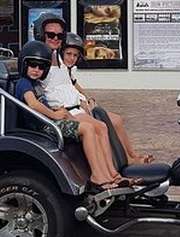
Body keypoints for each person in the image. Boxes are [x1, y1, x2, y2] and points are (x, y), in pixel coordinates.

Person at [34, 13, 154, 164]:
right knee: (100, 126)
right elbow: (38, 91)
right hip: (67, 109)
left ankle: (131, 157)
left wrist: (87, 98)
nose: (56, 38)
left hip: (77, 105)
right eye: (51, 35)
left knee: (116, 120)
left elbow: (72, 83)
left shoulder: (60, 61)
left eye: (59, 35)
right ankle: (111, 167)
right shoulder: (40, 62)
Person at [14, 40, 124, 190]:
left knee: (94, 127)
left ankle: (107, 173)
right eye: (33, 65)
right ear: (24, 64)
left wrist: (57, 110)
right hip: (43, 126)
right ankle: (97, 175)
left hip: (48, 120)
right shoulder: (24, 83)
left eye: (41, 67)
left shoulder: (36, 83)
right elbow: (33, 104)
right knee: (87, 129)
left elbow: (42, 102)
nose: (37, 70)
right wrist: (54, 115)